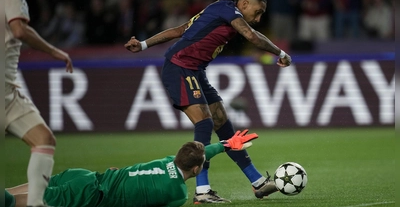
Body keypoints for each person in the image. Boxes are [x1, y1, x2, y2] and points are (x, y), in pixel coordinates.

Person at [125, 0, 291, 203]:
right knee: (204, 123)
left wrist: (144, 44)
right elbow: (251, 35)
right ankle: (202, 190)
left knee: (223, 124)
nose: (258, 19)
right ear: (244, 4)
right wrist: (281, 53)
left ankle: (257, 182)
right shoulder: (227, 9)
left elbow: (182, 29)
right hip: (179, 67)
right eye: (257, 12)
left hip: (195, 70)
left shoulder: (218, 12)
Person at [7, 130, 258, 207]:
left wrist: (226, 145)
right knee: (11, 203)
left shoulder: (168, 161)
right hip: (90, 195)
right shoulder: (178, 194)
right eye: (201, 166)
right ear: (195, 170)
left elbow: (201, 152)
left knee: (15, 192)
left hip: (85, 176)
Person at [5, 0, 74, 207]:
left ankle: (36, 204)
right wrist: (54, 51)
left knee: (44, 139)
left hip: (8, 92)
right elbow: (18, 29)